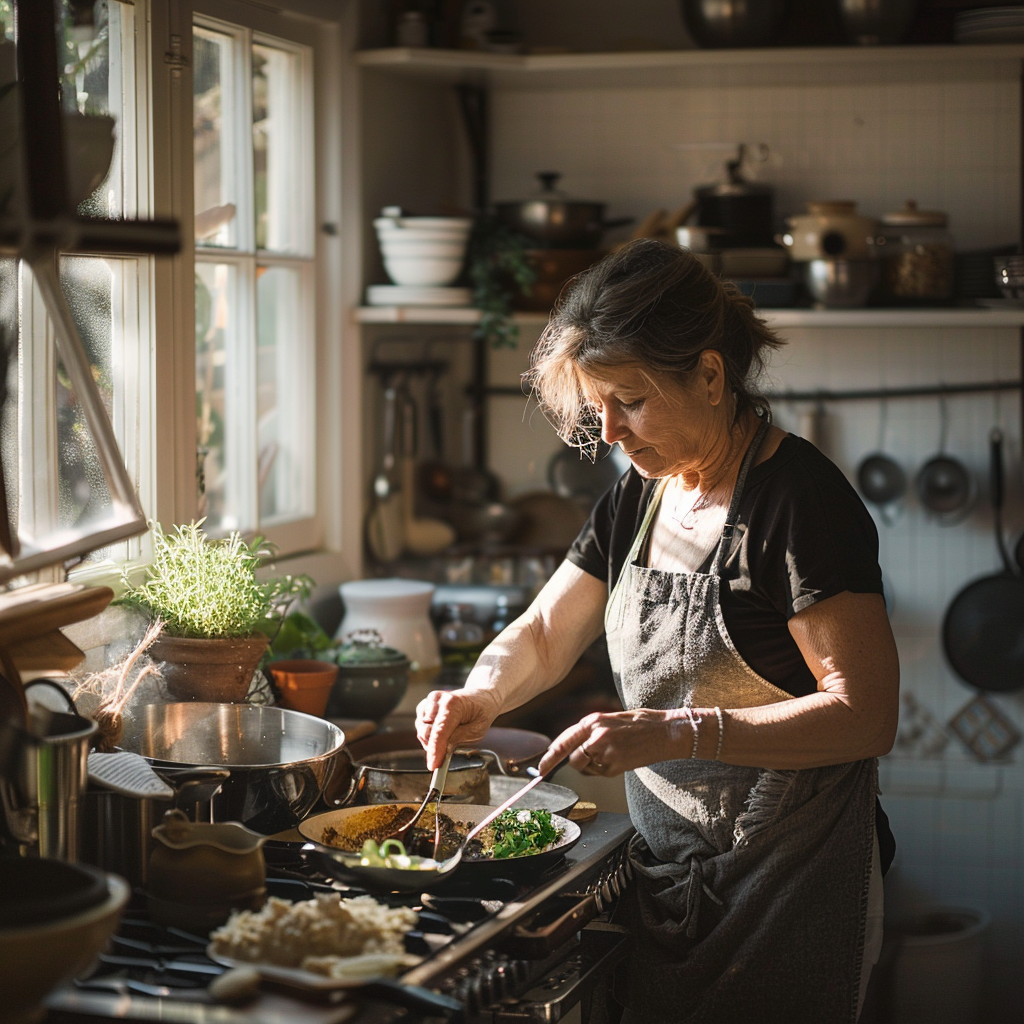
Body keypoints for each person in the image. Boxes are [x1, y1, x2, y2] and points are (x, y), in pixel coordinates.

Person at [415, 239, 899, 1024]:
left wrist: (674, 730)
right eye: (596, 405)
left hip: (793, 889)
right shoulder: (641, 497)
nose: (608, 431)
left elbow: (867, 714)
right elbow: (543, 632)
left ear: (710, 376)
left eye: (630, 401)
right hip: (672, 879)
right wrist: (480, 695)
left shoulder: (800, 504)